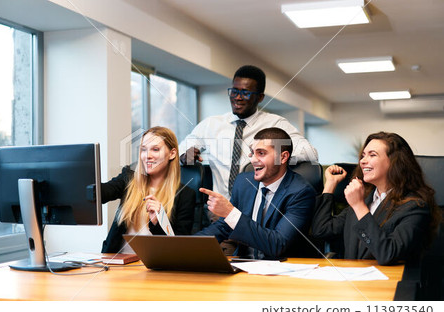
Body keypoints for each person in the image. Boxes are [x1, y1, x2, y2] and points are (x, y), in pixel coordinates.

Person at [179, 65, 318, 202]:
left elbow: (310, 152)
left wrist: (273, 155)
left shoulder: (275, 124)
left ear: (260, 97)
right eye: (234, 91)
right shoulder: (211, 124)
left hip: (257, 209)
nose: (238, 98)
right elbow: (182, 148)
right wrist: (186, 155)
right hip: (219, 209)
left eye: (245, 93)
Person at [312, 132, 441, 265]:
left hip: (390, 282)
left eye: (372, 155)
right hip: (354, 278)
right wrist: (330, 185)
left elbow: (388, 254)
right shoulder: (367, 198)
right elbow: (322, 230)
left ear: (394, 162)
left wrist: (359, 206)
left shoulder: (415, 206)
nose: (362, 161)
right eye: (363, 155)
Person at [196, 128, 316, 259]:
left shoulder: (301, 192)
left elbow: (278, 244)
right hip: (243, 264)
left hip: (282, 269)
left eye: (261, 153)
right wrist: (186, 245)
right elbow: (225, 226)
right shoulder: (244, 182)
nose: (253, 160)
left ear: (283, 157)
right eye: (252, 153)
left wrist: (231, 213)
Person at [101, 126, 196, 253]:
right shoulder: (129, 177)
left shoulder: (185, 194)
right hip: (118, 264)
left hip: (155, 267)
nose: (147, 156)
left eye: (155, 150)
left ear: (172, 154)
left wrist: (158, 222)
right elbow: (102, 193)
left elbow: (178, 249)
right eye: (143, 150)